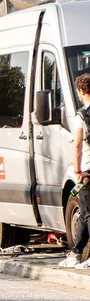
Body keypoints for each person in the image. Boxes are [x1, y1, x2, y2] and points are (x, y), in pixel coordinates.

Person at [60, 73, 90, 268]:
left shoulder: (81, 116)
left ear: (81, 91)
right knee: (85, 211)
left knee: (88, 212)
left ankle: (78, 255)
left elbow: (77, 144)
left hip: (87, 169)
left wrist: (77, 169)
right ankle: (75, 253)